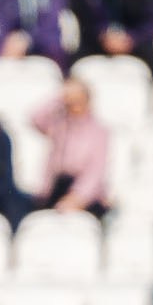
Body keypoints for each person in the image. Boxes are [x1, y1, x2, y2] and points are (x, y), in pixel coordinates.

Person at [32, 79, 111, 216]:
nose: (74, 104)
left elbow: (95, 171)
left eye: (78, 99)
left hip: (84, 192)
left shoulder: (98, 131)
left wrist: (78, 198)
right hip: (56, 186)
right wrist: (59, 98)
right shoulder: (59, 123)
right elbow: (36, 119)